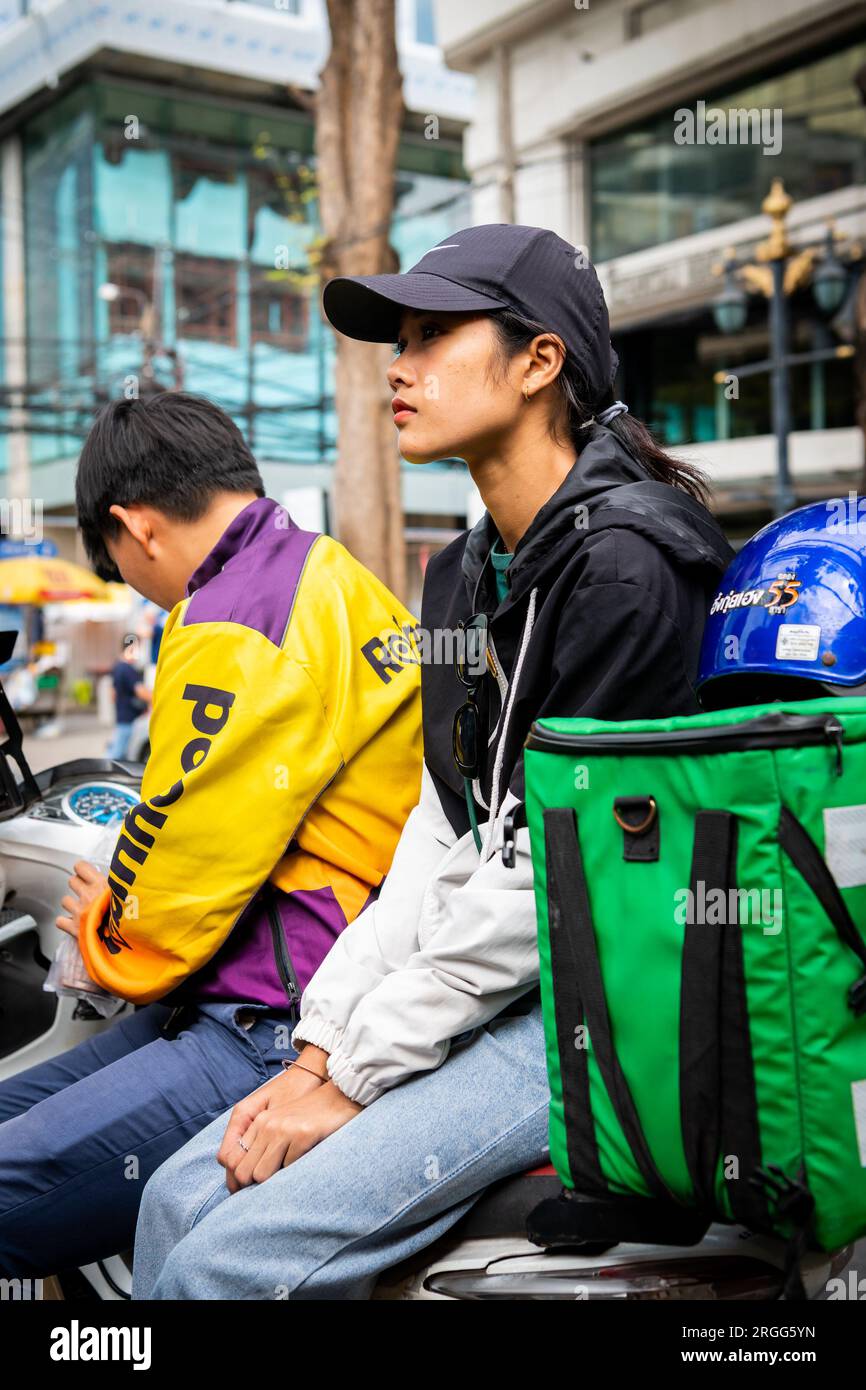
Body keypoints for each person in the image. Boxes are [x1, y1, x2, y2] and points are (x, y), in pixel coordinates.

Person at [134, 224, 735, 1300]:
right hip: (493, 988)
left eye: (430, 334)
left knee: (225, 1261)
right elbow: (439, 836)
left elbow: (547, 884)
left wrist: (357, 1080)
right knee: (171, 1198)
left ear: (538, 362)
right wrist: (319, 1052)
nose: (396, 367)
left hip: (597, 1009)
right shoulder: (464, 574)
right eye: (394, 340)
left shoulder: (630, 570)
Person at [0, 390, 422, 1279]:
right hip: (306, 979)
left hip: (275, 1016)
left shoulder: (230, 613)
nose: (141, 597)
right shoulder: (330, 571)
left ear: (136, 527)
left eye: (120, 568)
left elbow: (178, 877)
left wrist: (99, 928)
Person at [106, 633, 151, 760]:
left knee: (119, 752)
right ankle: (99, 777)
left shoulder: (117, 666)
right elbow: (142, 692)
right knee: (116, 756)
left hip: (122, 716)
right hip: (130, 719)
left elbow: (113, 695)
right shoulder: (128, 670)